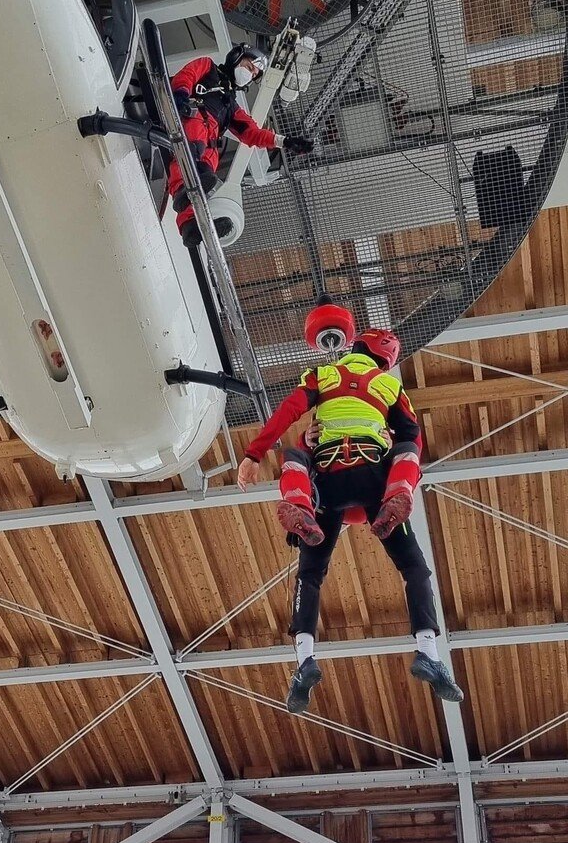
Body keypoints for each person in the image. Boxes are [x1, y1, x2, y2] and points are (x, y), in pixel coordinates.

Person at [236, 329, 464, 714]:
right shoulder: (388, 387)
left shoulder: (322, 376)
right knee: (415, 567)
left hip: (327, 481)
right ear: (386, 358)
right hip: (375, 479)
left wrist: (254, 454)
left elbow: (287, 412)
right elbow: (412, 437)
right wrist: (394, 459)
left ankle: (304, 661)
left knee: (309, 571)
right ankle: (428, 652)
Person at [169, 45, 313, 249]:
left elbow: (251, 133)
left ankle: (190, 224)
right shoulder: (208, 68)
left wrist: (284, 141)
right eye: (250, 66)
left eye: (254, 73)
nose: (250, 73)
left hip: (205, 139)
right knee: (198, 143)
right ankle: (188, 184)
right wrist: (181, 96)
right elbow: (188, 75)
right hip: (188, 117)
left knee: (210, 159)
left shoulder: (230, 105)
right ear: (237, 57)